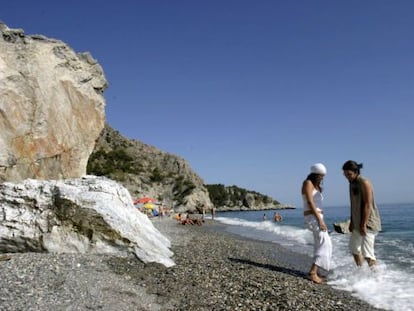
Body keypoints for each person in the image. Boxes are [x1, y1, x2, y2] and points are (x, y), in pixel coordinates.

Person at [342, 160, 381, 269]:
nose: (347, 177)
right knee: (354, 248)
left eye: (349, 174)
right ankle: (362, 273)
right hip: (357, 222)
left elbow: (368, 205)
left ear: (356, 171)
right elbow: (353, 204)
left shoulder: (364, 182)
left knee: (368, 253)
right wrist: (352, 221)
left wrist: (363, 224)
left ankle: (376, 277)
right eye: (345, 175)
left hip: (368, 222)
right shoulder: (351, 183)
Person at [302, 163, 332, 284]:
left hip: (318, 216)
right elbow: (310, 202)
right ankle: (312, 272)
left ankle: (316, 271)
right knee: (325, 244)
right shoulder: (307, 183)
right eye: (321, 175)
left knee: (320, 244)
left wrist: (321, 218)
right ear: (315, 174)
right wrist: (320, 220)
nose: (322, 178)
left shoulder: (316, 185)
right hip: (313, 217)